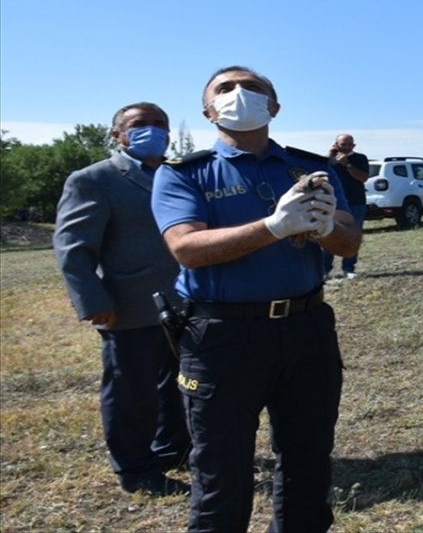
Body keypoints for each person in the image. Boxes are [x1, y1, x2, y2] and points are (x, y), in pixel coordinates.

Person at [152, 66, 361, 532]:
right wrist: (273, 228)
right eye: (225, 89)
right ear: (208, 112)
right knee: (221, 470)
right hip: (222, 336)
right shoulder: (186, 173)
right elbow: (187, 249)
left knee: (309, 461)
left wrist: (326, 228)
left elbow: (349, 242)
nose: (239, 93)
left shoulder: (310, 169)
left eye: (252, 87)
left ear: (274, 107)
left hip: (306, 328)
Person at [53, 102, 191, 497]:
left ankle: (173, 449)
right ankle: (135, 469)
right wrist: (92, 301)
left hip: (187, 302)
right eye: (140, 124)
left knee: (179, 384)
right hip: (129, 305)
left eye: (160, 123)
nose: (153, 130)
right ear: (118, 135)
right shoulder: (93, 179)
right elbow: (74, 250)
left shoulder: (179, 173)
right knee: (132, 391)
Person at [322, 133, 369, 279]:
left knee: (353, 235)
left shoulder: (360, 158)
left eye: (349, 145)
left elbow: (363, 178)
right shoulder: (329, 160)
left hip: (356, 202)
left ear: (354, 145)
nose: (347, 147)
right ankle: (324, 270)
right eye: (343, 144)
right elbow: (321, 174)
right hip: (333, 202)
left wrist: (347, 164)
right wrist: (330, 156)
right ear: (336, 144)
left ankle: (348, 268)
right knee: (328, 234)